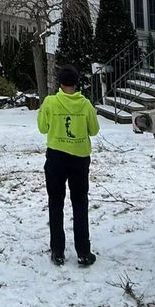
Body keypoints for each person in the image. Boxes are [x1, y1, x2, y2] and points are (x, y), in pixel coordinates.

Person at [37, 63, 99, 267]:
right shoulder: (85, 104)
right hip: (79, 158)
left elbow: (42, 128)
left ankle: (58, 251)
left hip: (56, 157)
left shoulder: (50, 103)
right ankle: (83, 251)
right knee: (80, 203)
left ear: (60, 83)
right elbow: (94, 130)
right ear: (76, 84)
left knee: (56, 202)